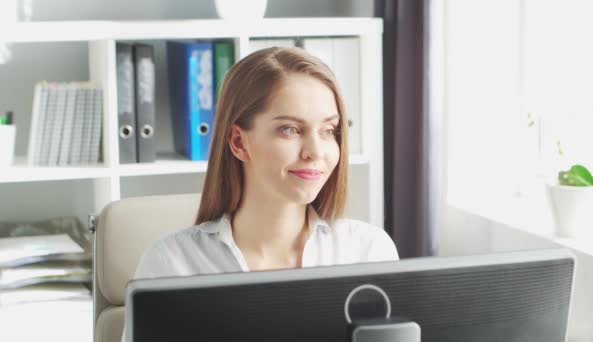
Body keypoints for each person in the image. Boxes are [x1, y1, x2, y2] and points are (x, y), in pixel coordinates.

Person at [120, 46, 398, 341]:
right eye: (291, 130)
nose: (316, 152)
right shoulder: (172, 265)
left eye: (329, 131)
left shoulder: (368, 252)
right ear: (239, 142)